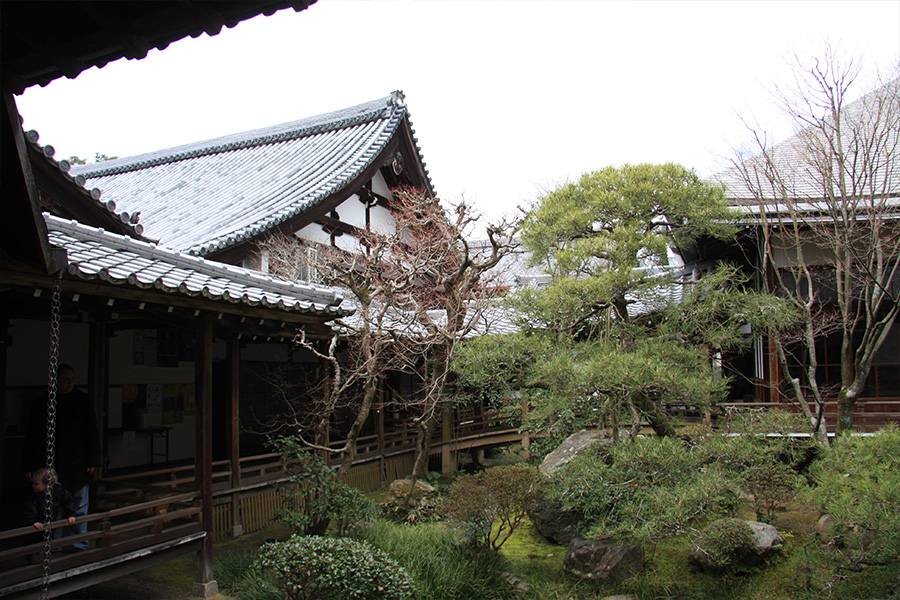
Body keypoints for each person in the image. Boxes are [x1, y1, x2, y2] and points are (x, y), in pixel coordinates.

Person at [23, 364, 100, 550]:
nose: (70, 383)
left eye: (72, 379)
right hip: (52, 462)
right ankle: (53, 543)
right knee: (52, 506)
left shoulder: (82, 400)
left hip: (77, 460)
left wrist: (92, 460)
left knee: (79, 504)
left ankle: (79, 541)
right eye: (66, 379)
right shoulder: (43, 402)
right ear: (55, 380)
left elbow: (91, 431)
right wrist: (29, 465)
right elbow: (33, 436)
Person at [25, 467, 78, 532]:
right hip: (39, 526)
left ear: (48, 484)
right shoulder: (34, 497)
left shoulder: (58, 491)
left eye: (36, 484)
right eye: (33, 483)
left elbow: (68, 501)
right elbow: (30, 510)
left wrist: (70, 514)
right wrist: (34, 522)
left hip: (54, 522)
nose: (33, 486)